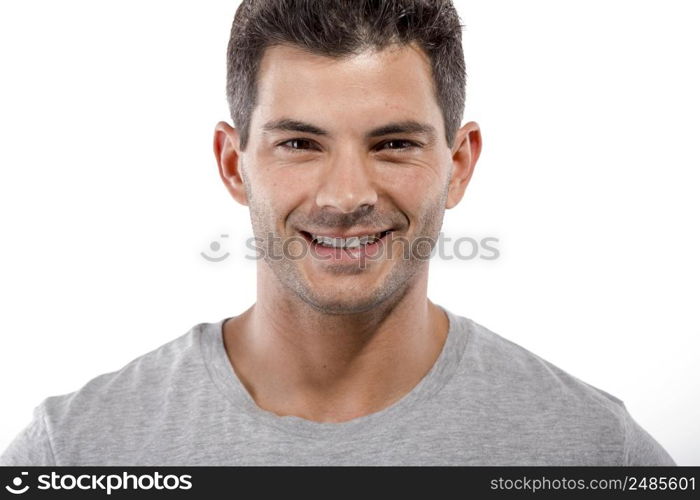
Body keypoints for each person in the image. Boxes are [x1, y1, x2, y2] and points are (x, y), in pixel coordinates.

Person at [1, 0, 675, 466]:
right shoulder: (77, 451)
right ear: (234, 165)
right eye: (299, 142)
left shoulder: (589, 450)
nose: (347, 195)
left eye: (392, 143)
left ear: (459, 164)